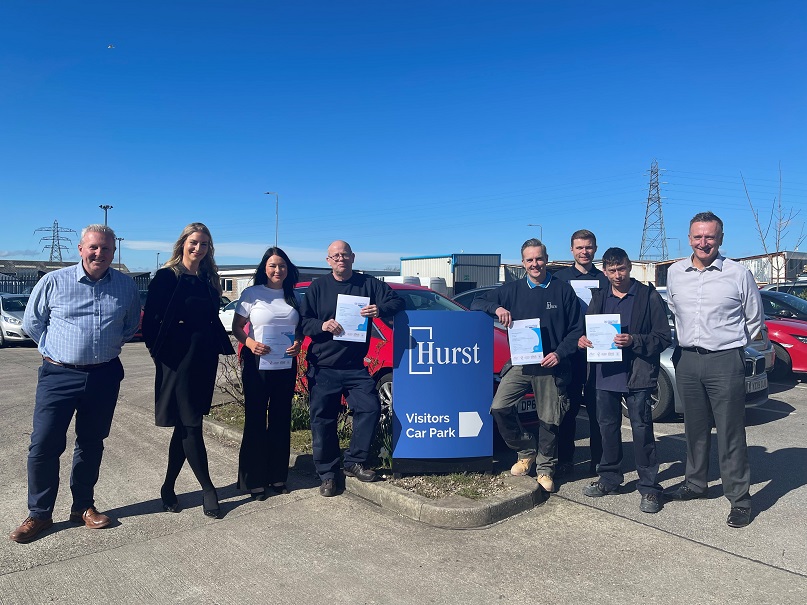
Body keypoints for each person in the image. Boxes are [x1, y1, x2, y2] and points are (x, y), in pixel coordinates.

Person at [10, 225, 140, 544]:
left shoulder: (125, 286)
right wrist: (55, 352)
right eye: (94, 247)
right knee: (43, 445)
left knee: (91, 442)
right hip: (58, 375)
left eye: (107, 249)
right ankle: (39, 514)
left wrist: (100, 349)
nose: (100, 254)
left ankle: (82, 506)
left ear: (113, 252)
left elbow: (129, 325)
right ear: (81, 249)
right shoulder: (54, 281)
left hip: (104, 374)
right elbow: (32, 323)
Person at [665, 211, 763, 528]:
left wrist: (728, 345)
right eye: (697, 236)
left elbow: (754, 320)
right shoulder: (675, 273)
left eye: (710, 236)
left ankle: (740, 499)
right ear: (690, 238)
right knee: (694, 428)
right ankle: (695, 484)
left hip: (725, 360)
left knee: (730, 432)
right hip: (687, 360)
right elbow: (673, 313)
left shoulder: (738, 273)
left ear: (720, 239)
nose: (703, 242)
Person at [472, 238, 583, 493]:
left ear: (547, 259)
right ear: (523, 263)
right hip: (521, 365)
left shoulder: (562, 290)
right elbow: (478, 303)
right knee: (499, 407)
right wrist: (497, 307)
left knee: (549, 419)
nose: (535, 264)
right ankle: (525, 450)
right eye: (529, 260)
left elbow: (577, 330)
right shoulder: (511, 290)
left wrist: (559, 353)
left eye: (539, 258)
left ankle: (545, 469)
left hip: (550, 365)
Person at [142, 223, 234, 519]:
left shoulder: (208, 279)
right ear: (183, 243)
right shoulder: (168, 277)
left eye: (204, 244)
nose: (198, 248)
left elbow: (209, 319)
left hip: (203, 359)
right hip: (176, 361)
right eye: (194, 242)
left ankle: (168, 488)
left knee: (185, 426)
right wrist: (160, 356)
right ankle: (209, 490)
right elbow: (150, 323)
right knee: (192, 425)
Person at [299, 240, 404, 497]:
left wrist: (379, 309)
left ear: (353, 257)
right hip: (323, 366)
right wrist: (322, 326)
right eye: (335, 256)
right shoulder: (318, 287)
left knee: (370, 407)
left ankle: (354, 461)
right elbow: (303, 321)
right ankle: (327, 473)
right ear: (328, 261)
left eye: (344, 255)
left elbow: (398, 302)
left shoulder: (368, 284)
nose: (340, 259)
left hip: (356, 366)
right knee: (323, 420)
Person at [578, 247, 671, 513]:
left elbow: (663, 337)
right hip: (604, 374)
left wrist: (634, 341)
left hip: (637, 375)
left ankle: (650, 488)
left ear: (629, 267)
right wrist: (583, 340)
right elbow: (587, 330)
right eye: (611, 270)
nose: (617, 275)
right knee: (607, 428)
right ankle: (610, 478)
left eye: (621, 269)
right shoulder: (600, 296)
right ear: (605, 271)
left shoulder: (647, 296)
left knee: (642, 430)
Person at [233, 247, 303, 499]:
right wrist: (250, 344)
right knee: (255, 418)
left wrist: (298, 343)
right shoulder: (252, 294)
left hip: (285, 365)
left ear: (288, 269)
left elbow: (299, 330)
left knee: (281, 418)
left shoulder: (293, 296)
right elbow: (238, 326)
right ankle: (254, 478)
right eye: (273, 265)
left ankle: (277, 476)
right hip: (256, 364)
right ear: (265, 268)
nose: (277, 270)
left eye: (282, 266)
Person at [553, 229, 609, 477]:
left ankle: (599, 460)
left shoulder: (606, 277)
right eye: (579, 247)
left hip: (601, 353)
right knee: (569, 409)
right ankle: (565, 458)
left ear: (595, 248)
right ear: (571, 250)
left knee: (600, 410)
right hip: (572, 354)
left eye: (588, 247)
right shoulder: (560, 278)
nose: (584, 252)